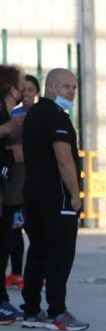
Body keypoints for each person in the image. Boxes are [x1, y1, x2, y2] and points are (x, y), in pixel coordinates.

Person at [20, 68, 88, 331]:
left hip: (33, 194)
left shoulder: (34, 113)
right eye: (66, 86)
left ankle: (31, 311)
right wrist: (75, 195)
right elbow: (64, 159)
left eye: (74, 87)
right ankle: (57, 312)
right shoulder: (55, 116)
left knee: (38, 251)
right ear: (50, 88)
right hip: (55, 197)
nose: (71, 91)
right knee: (60, 254)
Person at [5, 74, 39, 290]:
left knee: (34, 229)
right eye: (22, 89)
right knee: (13, 230)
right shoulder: (12, 116)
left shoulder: (41, 114)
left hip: (32, 179)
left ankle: (36, 275)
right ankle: (16, 273)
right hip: (13, 180)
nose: (25, 93)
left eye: (29, 89)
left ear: (36, 91)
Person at [0, 64, 25, 324]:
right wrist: (10, 128)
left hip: (6, 190)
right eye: (20, 86)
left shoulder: (10, 112)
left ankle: (3, 300)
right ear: (12, 88)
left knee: (5, 244)